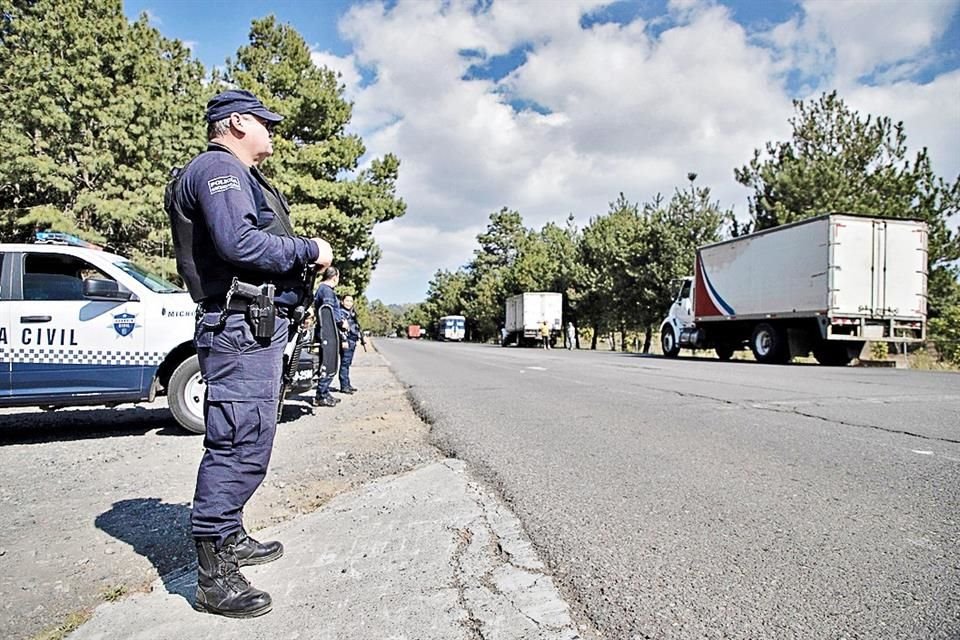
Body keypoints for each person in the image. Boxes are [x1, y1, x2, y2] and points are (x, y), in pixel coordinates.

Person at [165, 88, 333, 619]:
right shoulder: (219, 169)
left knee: (251, 434)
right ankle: (213, 576)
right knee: (239, 440)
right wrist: (309, 248)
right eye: (265, 122)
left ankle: (230, 534)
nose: (272, 131)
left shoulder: (237, 174)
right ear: (237, 122)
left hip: (252, 325)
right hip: (239, 326)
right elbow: (240, 244)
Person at [313, 266, 342, 407]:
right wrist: (342, 322)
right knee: (329, 361)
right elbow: (328, 312)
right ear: (335, 277)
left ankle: (324, 392)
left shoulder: (322, 289)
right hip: (328, 331)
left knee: (327, 361)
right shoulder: (327, 291)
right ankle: (321, 395)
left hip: (325, 330)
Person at [337, 295, 364, 394]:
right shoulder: (341, 313)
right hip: (347, 340)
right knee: (344, 363)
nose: (349, 303)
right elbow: (341, 329)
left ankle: (347, 384)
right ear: (342, 302)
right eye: (347, 301)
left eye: (351, 301)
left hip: (352, 340)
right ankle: (344, 386)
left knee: (347, 363)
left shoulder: (351, 313)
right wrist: (344, 340)